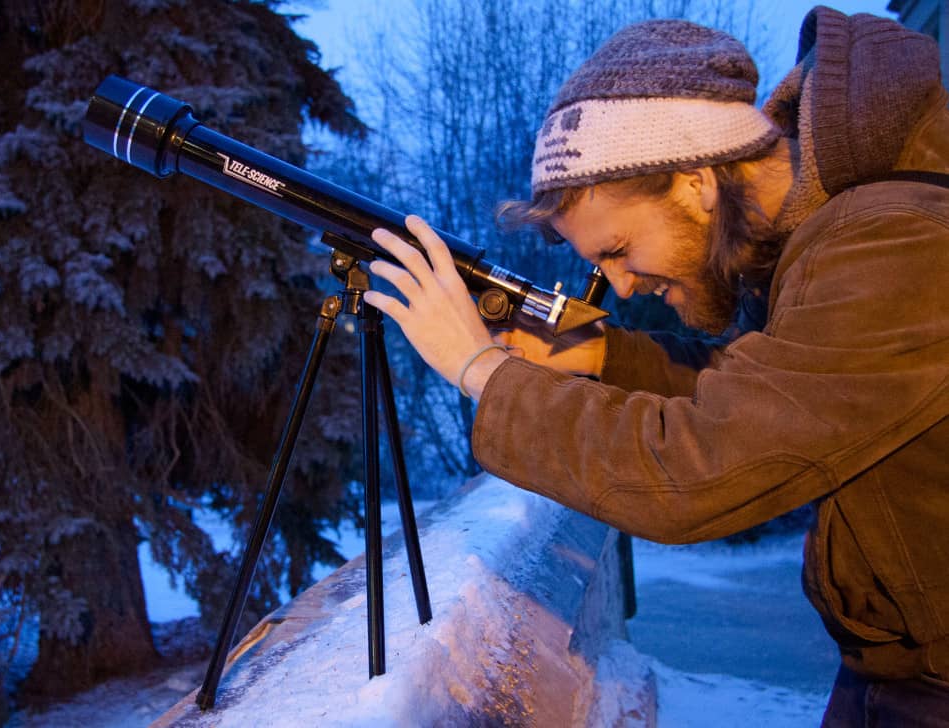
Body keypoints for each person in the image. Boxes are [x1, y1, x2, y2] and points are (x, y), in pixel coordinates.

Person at [360, 7, 949, 727]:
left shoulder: (895, 241)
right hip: (893, 674)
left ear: (695, 181)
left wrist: (482, 369)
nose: (626, 285)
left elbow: (700, 466)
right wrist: (595, 353)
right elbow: (758, 391)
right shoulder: (840, 237)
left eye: (615, 250)